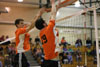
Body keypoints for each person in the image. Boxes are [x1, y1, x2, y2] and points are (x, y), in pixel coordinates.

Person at [35, 0, 62, 67]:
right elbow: (52, 15)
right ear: (44, 24)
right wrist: (53, 3)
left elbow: (52, 17)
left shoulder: (41, 33)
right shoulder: (49, 29)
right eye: (44, 21)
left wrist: (56, 8)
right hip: (53, 62)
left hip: (46, 60)